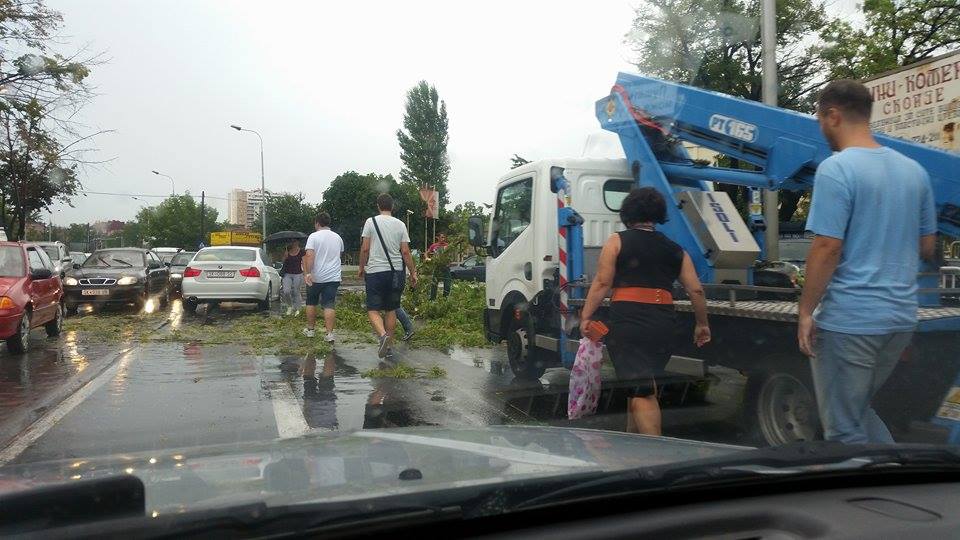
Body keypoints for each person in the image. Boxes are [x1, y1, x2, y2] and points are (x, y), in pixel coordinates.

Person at [798, 79, 937, 444]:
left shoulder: (837, 168)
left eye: (819, 119)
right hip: (900, 319)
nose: (821, 127)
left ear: (833, 116)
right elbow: (927, 245)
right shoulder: (915, 172)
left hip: (851, 320)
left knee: (844, 429)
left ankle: (863, 482)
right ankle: (893, 469)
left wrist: (806, 311)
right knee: (858, 413)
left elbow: (827, 247)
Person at [579, 187, 710, 436]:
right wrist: (702, 324)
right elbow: (696, 290)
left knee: (641, 390)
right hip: (664, 325)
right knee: (642, 383)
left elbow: (603, 282)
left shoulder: (617, 241)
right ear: (657, 215)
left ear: (628, 213)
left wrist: (586, 316)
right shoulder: (676, 249)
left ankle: (655, 451)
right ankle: (632, 440)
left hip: (629, 323)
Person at [359, 193, 418, 358]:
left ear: (378, 206)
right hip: (396, 273)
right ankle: (389, 346)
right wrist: (413, 272)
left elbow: (365, 248)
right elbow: (405, 252)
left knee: (373, 309)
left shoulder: (370, 222)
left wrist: (361, 267)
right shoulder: (401, 225)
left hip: (376, 271)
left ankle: (383, 335)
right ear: (392, 206)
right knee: (391, 309)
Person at [302, 212, 345, 342]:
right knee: (329, 304)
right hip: (333, 277)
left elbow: (309, 256)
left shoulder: (313, 237)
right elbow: (339, 255)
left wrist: (308, 273)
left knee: (311, 302)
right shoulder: (338, 237)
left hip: (316, 277)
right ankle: (329, 334)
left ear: (317, 223)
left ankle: (310, 330)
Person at [281, 241, 305, 316]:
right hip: (287, 274)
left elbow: (304, 262)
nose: (293, 243)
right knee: (286, 291)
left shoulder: (301, 252)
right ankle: (290, 306)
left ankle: (298, 309)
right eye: (292, 241)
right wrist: (285, 256)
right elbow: (282, 261)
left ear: (297, 242)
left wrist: (306, 273)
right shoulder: (287, 250)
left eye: (295, 241)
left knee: (296, 291)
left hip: (298, 274)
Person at [426, 233, 451, 300]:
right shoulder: (434, 246)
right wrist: (427, 258)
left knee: (447, 284)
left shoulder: (447, 245)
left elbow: (450, 255)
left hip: (446, 267)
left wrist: (449, 261)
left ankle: (445, 299)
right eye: (442, 237)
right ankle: (432, 299)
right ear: (438, 238)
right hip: (437, 267)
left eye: (444, 237)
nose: (443, 239)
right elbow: (427, 253)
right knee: (434, 284)